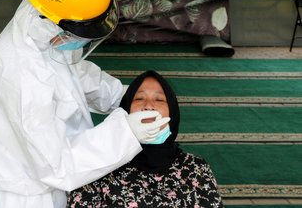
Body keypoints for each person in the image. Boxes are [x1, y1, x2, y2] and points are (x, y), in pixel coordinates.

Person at [0, 0, 170, 208]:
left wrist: (127, 96)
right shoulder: (22, 76)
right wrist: (127, 132)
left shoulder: (41, 30)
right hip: (30, 198)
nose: (77, 42)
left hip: (52, 188)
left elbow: (72, 73)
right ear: (51, 21)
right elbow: (58, 166)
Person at [67, 70, 223, 208]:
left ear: (173, 113)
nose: (148, 106)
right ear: (125, 110)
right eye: (139, 99)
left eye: (160, 100)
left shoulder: (196, 168)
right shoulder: (99, 165)